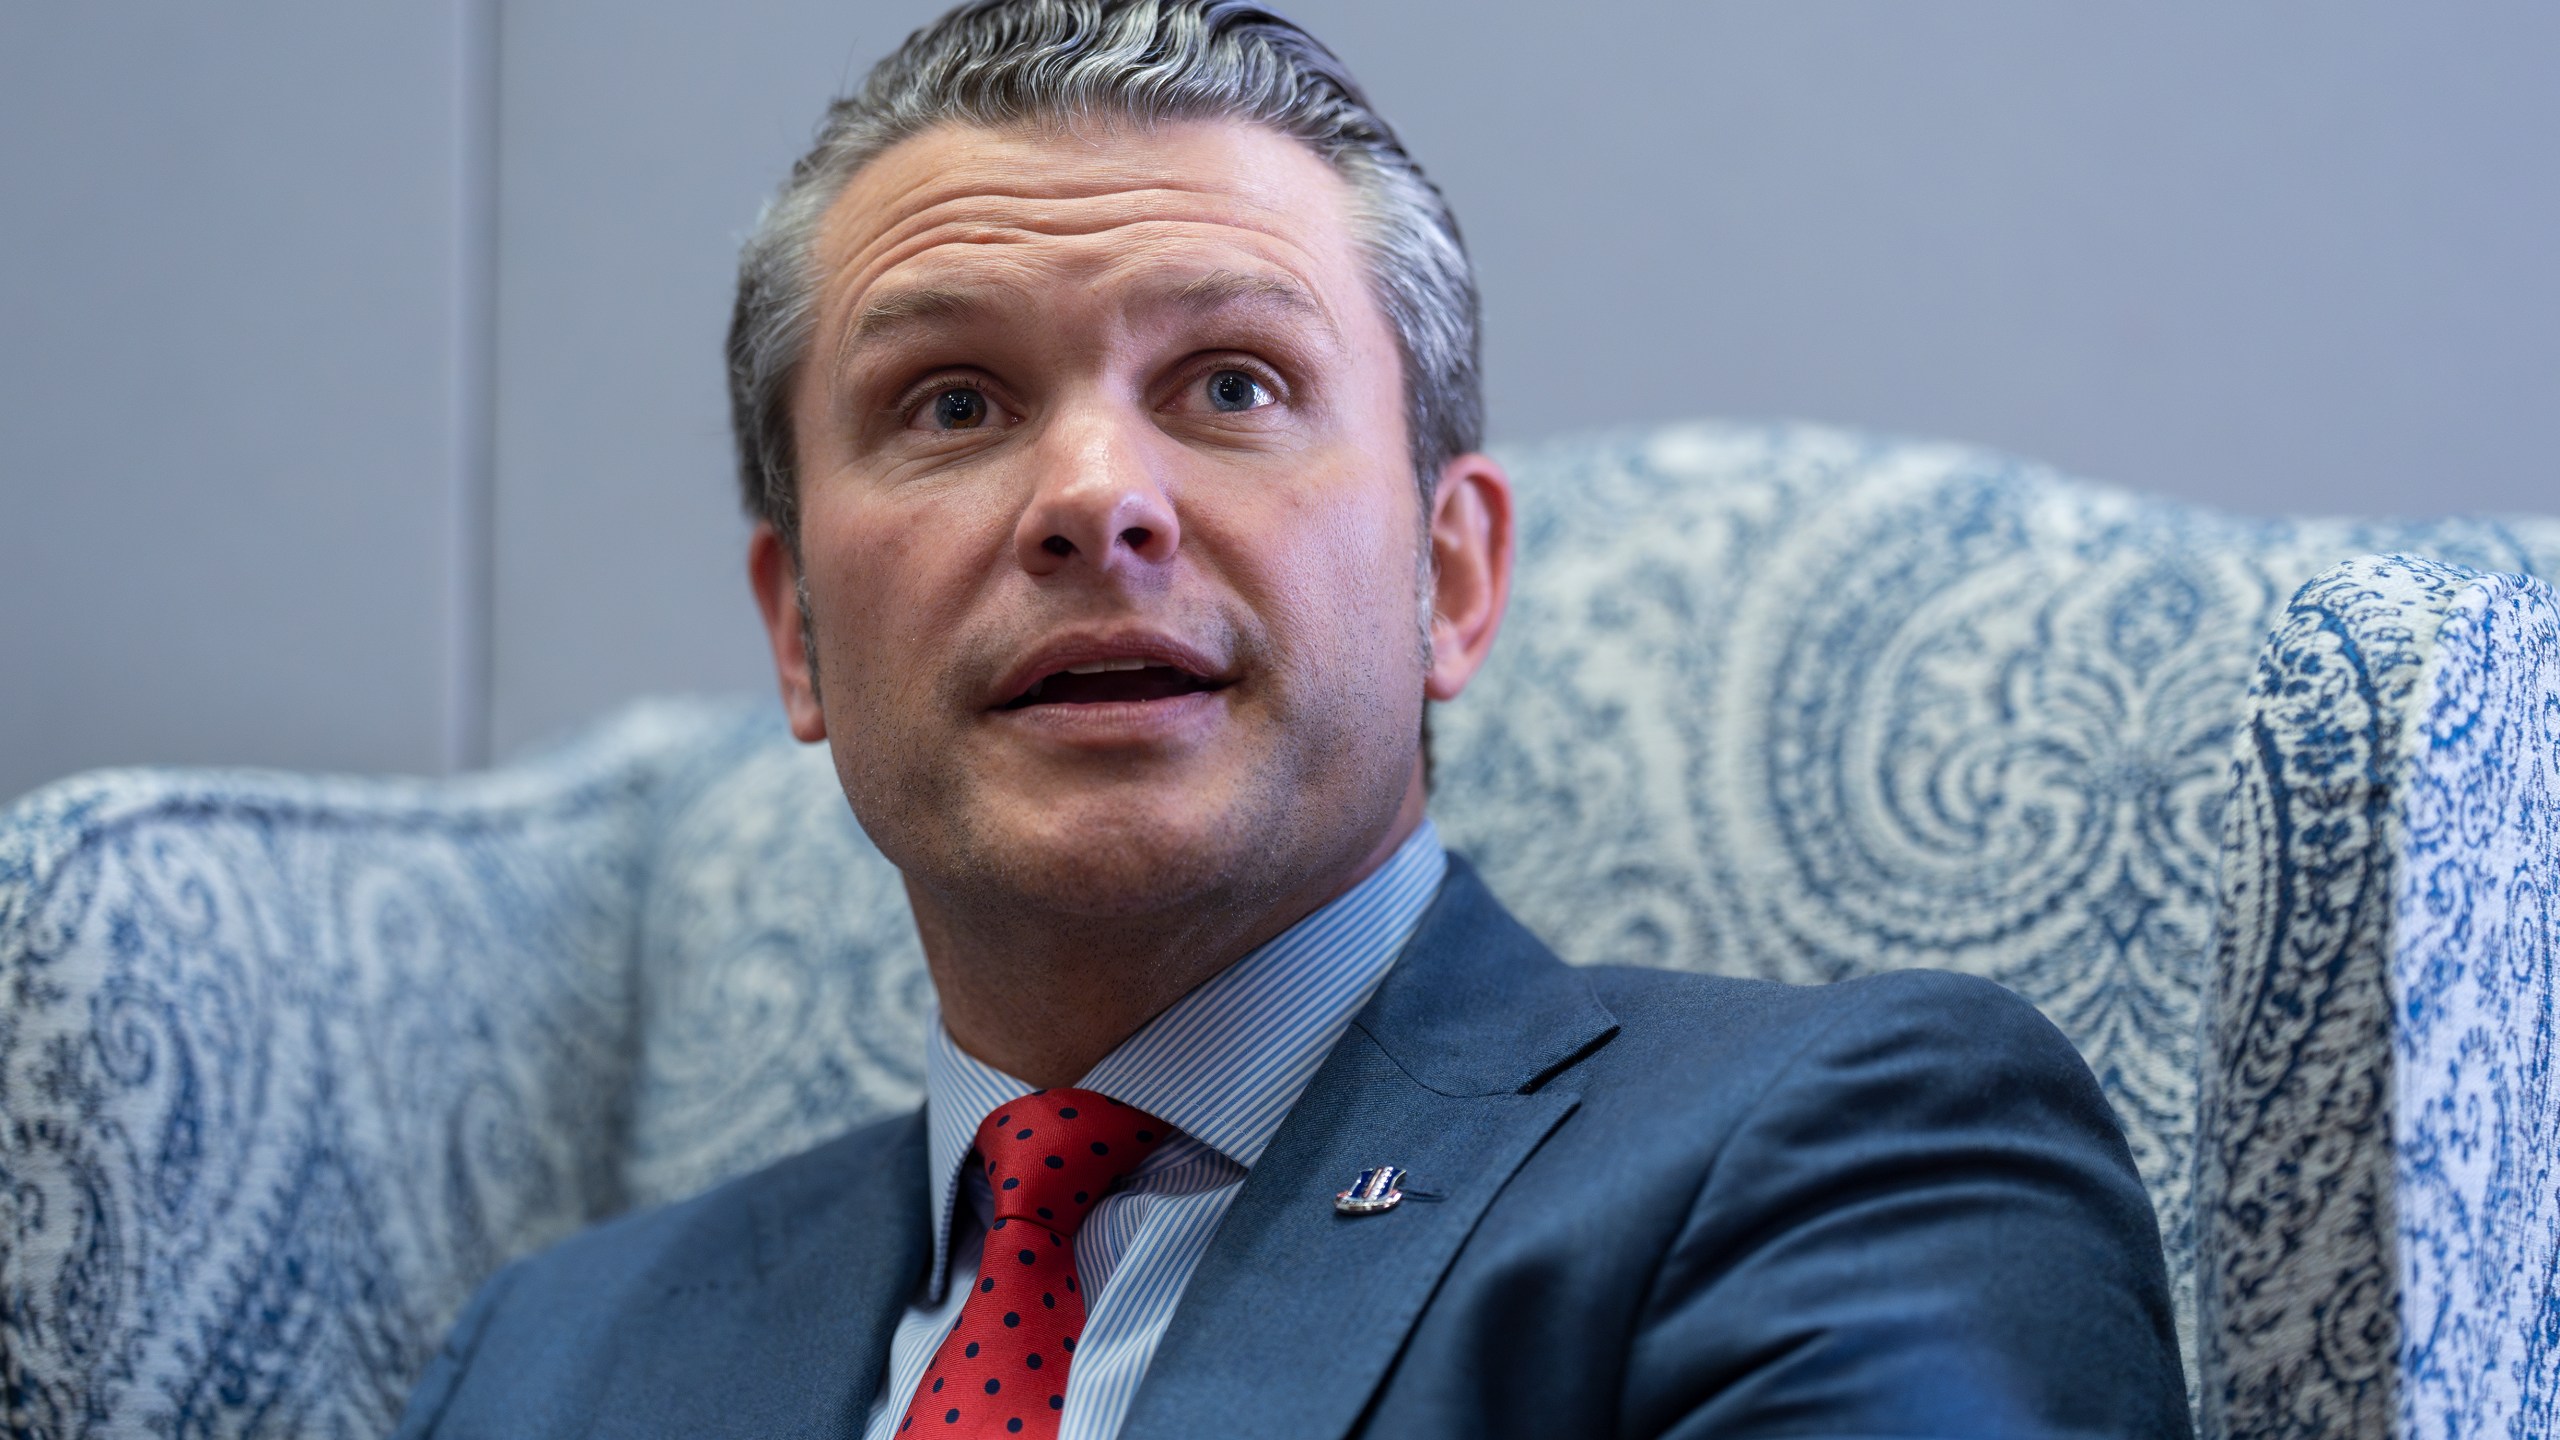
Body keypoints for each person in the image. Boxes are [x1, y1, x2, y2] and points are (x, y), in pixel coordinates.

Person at [393, 2, 2189, 1435]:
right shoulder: (555, 1358)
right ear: (797, 634)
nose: (1096, 499)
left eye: (1233, 383)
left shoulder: (1846, 1157)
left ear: (1453, 576)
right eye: (951, 404)